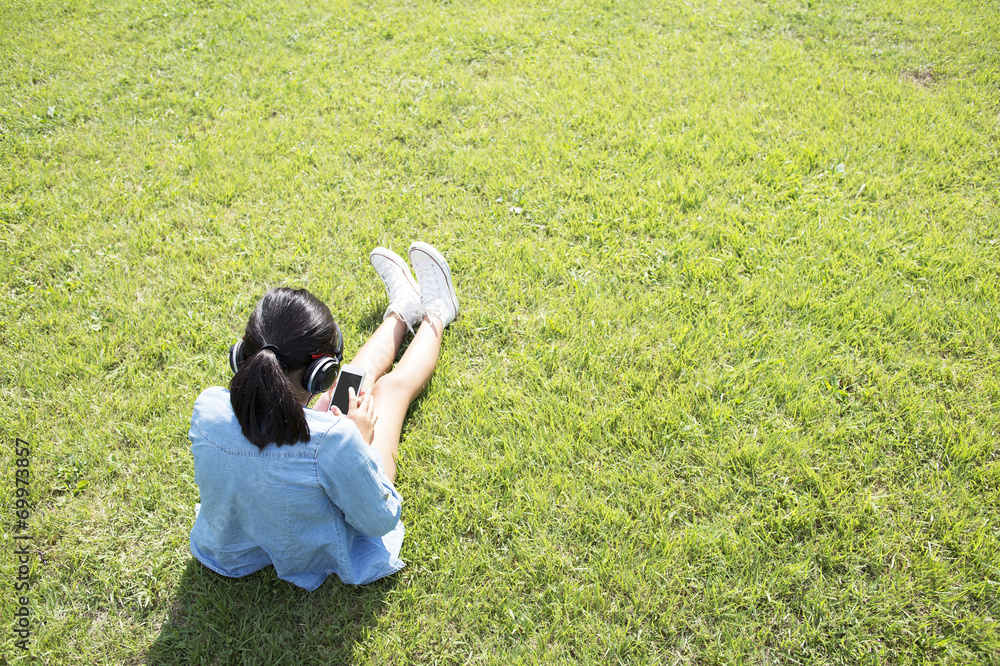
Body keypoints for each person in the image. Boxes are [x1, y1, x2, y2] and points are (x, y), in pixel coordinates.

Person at [187, 241, 458, 590]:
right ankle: (437, 312)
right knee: (390, 391)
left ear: (244, 356)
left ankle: (401, 312)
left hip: (240, 541)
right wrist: (358, 441)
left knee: (351, 384)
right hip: (323, 514)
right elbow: (380, 520)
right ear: (320, 374)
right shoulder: (337, 442)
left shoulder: (208, 406)